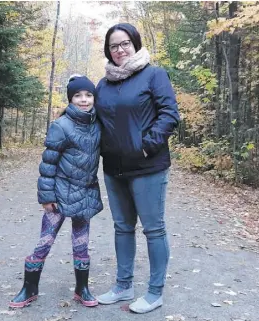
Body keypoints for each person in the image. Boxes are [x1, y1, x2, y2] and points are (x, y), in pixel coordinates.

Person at [95, 23, 180, 314]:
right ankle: (123, 285)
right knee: (122, 228)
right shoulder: (103, 84)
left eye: (125, 43)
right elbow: (94, 122)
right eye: (113, 46)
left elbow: (170, 114)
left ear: (135, 43)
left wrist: (146, 145)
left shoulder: (153, 75)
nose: (119, 50)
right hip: (113, 168)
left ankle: (155, 292)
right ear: (108, 50)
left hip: (148, 166)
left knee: (153, 230)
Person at [9, 75, 103, 309]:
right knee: (45, 241)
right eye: (78, 96)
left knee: (81, 243)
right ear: (70, 99)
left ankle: (82, 289)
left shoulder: (98, 124)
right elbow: (48, 163)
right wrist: (47, 196)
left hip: (85, 193)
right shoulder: (61, 126)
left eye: (88, 95)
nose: (84, 100)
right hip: (59, 195)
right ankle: (29, 288)